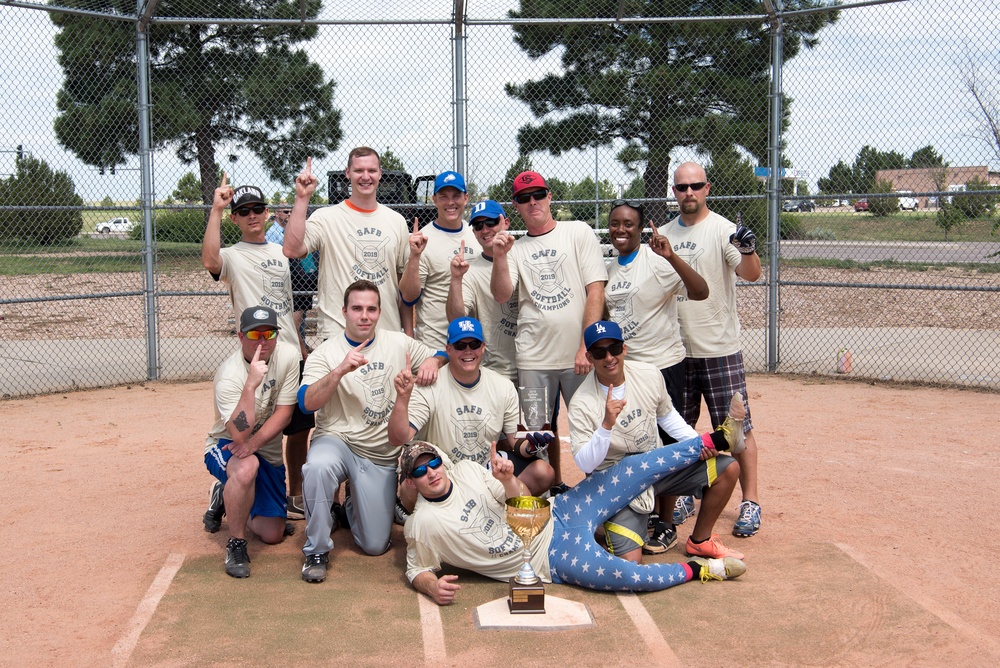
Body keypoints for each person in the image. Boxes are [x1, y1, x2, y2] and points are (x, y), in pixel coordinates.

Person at [400, 421, 748, 606]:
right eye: (419, 471)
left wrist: (507, 480)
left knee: (630, 469)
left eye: (432, 462)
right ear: (412, 483)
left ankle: (714, 439)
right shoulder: (423, 524)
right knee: (626, 577)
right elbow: (417, 569)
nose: (430, 471)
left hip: (560, 509)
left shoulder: (467, 471)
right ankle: (699, 569)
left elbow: (522, 500)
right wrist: (432, 587)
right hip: (551, 556)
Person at [297, 280, 449, 583]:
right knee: (317, 466)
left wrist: (433, 360)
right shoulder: (326, 353)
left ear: (379, 312)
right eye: (357, 309)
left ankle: (351, 504)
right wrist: (339, 370)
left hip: (379, 455)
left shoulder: (398, 343)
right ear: (344, 312)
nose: (364, 316)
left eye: (371, 309)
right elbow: (306, 403)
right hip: (338, 440)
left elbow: (441, 353)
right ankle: (316, 548)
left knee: (375, 545)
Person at [568, 320, 745, 565]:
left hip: (656, 467)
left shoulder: (648, 374)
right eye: (599, 352)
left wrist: (697, 444)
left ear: (624, 348)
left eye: (615, 348)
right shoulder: (581, 402)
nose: (609, 357)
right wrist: (606, 425)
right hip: (616, 483)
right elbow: (584, 461)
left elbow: (668, 417)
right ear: (589, 357)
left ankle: (700, 541)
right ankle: (603, 523)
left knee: (728, 468)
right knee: (630, 563)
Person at [658, 161, 764, 538]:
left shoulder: (723, 229)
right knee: (679, 432)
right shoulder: (665, 234)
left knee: (736, 429)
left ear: (707, 188)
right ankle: (688, 491)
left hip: (719, 347)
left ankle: (750, 501)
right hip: (675, 352)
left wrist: (749, 250)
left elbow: (751, 274)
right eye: (681, 187)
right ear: (674, 191)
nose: (688, 192)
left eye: (695, 186)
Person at [200, 177, 312, 527]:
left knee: (296, 427)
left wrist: (299, 340)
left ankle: (293, 495)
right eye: (243, 211)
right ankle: (231, 483)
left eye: (258, 209)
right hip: (259, 352)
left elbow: (291, 303)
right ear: (236, 218)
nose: (252, 216)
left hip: (290, 352)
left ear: (267, 213)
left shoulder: (282, 253)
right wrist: (217, 210)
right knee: (247, 429)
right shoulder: (232, 256)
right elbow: (209, 260)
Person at [489, 171, 608, 493]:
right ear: (516, 205)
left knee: (591, 428)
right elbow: (502, 295)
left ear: (549, 196)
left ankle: (597, 497)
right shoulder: (514, 247)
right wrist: (500, 256)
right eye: (524, 199)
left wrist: (586, 345)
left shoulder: (577, 232)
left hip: (577, 356)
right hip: (534, 357)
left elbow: (595, 289)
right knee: (536, 436)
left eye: (538, 195)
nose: (533, 203)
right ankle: (548, 497)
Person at [605, 200, 710, 550]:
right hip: (629, 370)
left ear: (640, 228)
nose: (621, 230)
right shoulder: (609, 269)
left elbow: (700, 291)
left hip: (663, 365)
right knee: (635, 439)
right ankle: (642, 514)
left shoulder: (657, 261)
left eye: (629, 224)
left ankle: (666, 522)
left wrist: (671, 256)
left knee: (666, 442)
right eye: (615, 223)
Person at [388, 316, 554, 511]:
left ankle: (480, 509)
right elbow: (398, 437)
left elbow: (515, 442)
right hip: (443, 472)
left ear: (483, 347)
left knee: (543, 473)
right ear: (448, 349)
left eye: (474, 344)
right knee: (412, 485)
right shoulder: (430, 386)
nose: (468, 351)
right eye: (460, 345)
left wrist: (531, 446)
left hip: (483, 471)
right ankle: (423, 511)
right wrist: (402, 398)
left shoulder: (503, 386)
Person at [203, 306, 300, 578]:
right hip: (226, 446)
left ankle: (227, 496)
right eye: (255, 334)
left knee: (273, 534)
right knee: (246, 469)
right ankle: (236, 542)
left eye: (269, 333)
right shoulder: (230, 375)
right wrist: (250, 386)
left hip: (261, 447)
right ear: (240, 335)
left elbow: (284, 412)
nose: (262, 340)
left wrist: (255, 445)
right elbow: (238, 435)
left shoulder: (289, 356)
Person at [282, 149, 411, 339]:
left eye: (372, 171)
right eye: (359, 171)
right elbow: (291, 249)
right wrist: (302, 198)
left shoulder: (397, 221)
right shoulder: (326, 218)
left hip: (386, 334)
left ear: (380, 173)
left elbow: (404, 288)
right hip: (338, 334)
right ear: (347, 173)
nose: (365, 177)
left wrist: (407, 334)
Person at [399, 171, 481, 348]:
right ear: (434, 199)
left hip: (472, 345)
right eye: (444, 196)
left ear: (466, 198)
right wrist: (414, 257)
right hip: (435, 345)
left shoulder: (476, 235)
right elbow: (407, 298)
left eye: (456, 196)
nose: (450, 202)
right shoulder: (423, 240)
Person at [446, 199, 518, 383]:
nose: (485, 229)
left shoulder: (521, 255)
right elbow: (456, 319)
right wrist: (455, 279)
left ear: (506, 223)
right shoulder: (471, 270)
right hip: (493, 369)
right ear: (474, 232)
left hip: (531, 365)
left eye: (491, 222)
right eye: (478, 225)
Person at [267, 202, 319, 349]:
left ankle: (299, 342)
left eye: (290, 212)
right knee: (297, 311)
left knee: (300, 311)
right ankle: (296, 343)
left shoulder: (288, 230)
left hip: (300, 274)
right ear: (276, 214)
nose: (288, 215)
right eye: (285, 212)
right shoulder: (275, 233)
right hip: (290, 275)